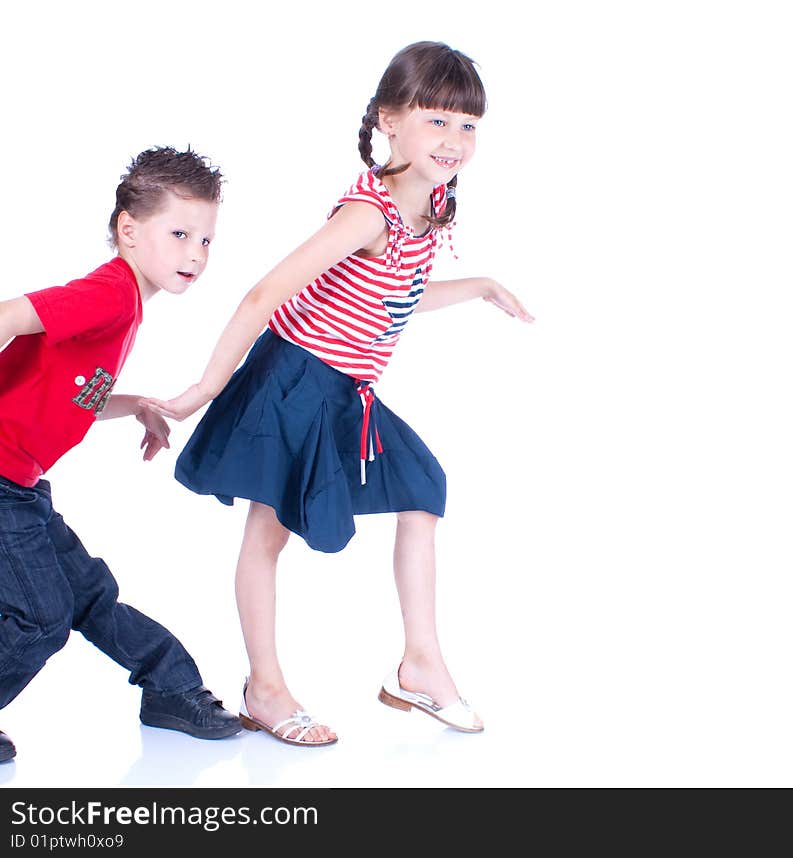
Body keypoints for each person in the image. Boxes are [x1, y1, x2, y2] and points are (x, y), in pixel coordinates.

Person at [143, 42, 533, 747]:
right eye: (436, 120)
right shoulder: (369, 213)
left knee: (423, 488)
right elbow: (266, 292)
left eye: (468, 125)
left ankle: (420, 664)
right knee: (269, 534)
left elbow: (393, 300)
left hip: (345, 394)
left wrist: (477, 287)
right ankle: (265, 689)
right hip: (292, 383)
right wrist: (209, 384)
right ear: (390, 120)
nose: (454, 140)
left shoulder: (432, 207)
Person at [0, 147, 242, 763]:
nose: (195, 253)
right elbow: (7, 317)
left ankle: (169, 687)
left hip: (22, 484)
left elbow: (78, 390)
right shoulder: (108, 294)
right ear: (128, 231)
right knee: (40, 618)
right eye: (180, 233)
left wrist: (132, 404)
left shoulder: (129, 303)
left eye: (207, 240)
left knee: (86, 595)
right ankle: (169, 685)